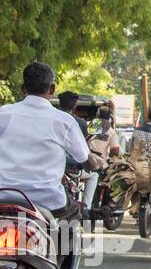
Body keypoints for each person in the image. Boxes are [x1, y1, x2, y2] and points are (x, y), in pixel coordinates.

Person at [0, 62, 94, 216]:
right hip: (48, 201)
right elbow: (86, 160)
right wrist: (97, 164)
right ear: (52, 89)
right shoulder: (65, 121)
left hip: (3, 196)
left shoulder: (3, 114)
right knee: (75, 214)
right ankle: (63, 241)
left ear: (23, 88)